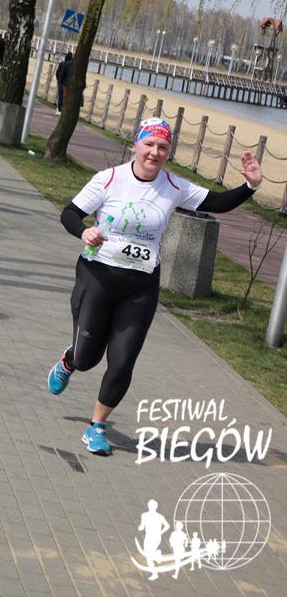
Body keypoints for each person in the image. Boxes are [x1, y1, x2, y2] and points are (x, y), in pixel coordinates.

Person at [47, 117, 263, 455]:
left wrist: (250, 185)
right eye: (149, 144)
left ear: (168, 152)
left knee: (122, 361)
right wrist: (84, 231)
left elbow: (218, 203)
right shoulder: (109, 179)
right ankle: (69, 361)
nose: (154, 152)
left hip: (141, 285)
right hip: (98, 276)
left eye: (163, 147)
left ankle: (96, 426)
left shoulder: (173, 186)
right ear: (136, 144)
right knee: (88, 358)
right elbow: (69, 213)